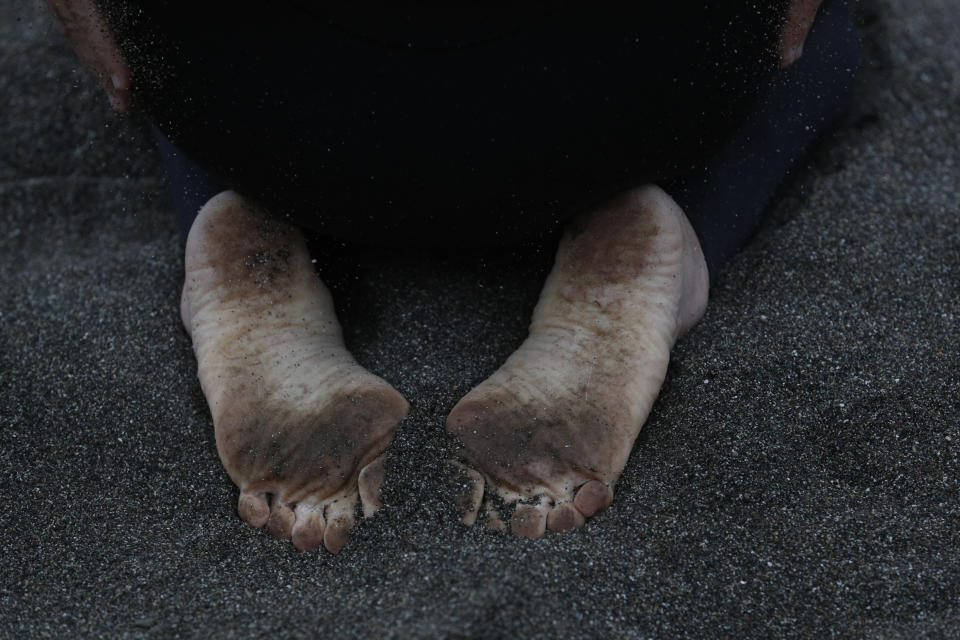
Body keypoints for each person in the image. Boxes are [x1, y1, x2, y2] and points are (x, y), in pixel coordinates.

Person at [45, 0, 858, 553]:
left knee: (152, 34)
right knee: (816, 25)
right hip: (621, 88)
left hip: (275, 111)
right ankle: (681, 223)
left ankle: (230, 217)